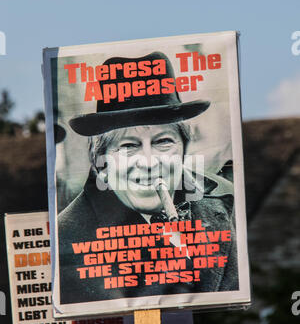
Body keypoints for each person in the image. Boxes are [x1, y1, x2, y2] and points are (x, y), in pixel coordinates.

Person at [58, 51, 238, 304]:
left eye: (163, 142)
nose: (149, 161)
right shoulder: (67, 236)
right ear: (103, 160)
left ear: (184, 149)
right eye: (128, 146)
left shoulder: (224, 198)